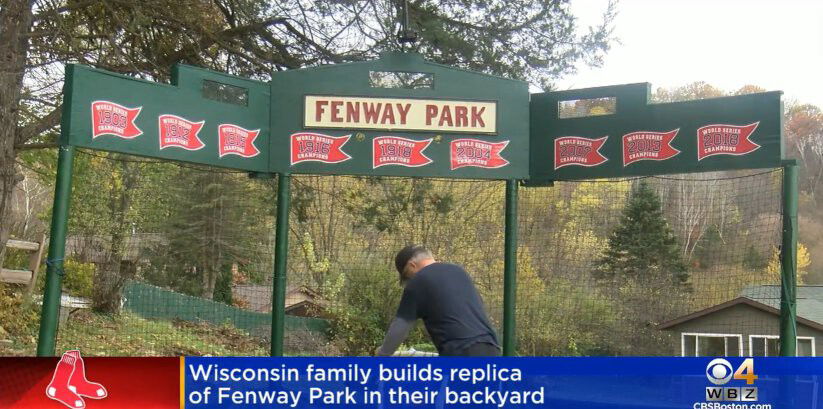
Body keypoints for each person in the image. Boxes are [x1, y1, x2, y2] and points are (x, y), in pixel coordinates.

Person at [375, 245, 500, 357]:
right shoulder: (459, 272)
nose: (409, 280)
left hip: (460, 351)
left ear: (412, 265)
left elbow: (401, 325)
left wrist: (383, 353)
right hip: (491, 346)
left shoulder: (418, 281)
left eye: (407, 275)